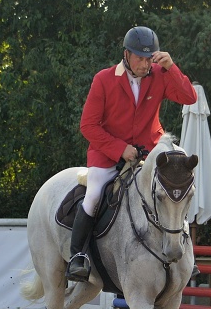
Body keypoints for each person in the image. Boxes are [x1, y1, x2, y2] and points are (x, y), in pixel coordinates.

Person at [65, 26, 198, 282]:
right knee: (93, 195)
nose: (145, 64)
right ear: (126, 54)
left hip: (150, 151)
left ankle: (182, 252)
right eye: (140, 58)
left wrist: (171, 68)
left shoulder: (159, 74)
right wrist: (120, 149)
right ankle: (77, 256)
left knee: (175, 186)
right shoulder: (104, 79)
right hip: (108, 154)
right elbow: (88, 126)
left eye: (149, 58)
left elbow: (189, 98)